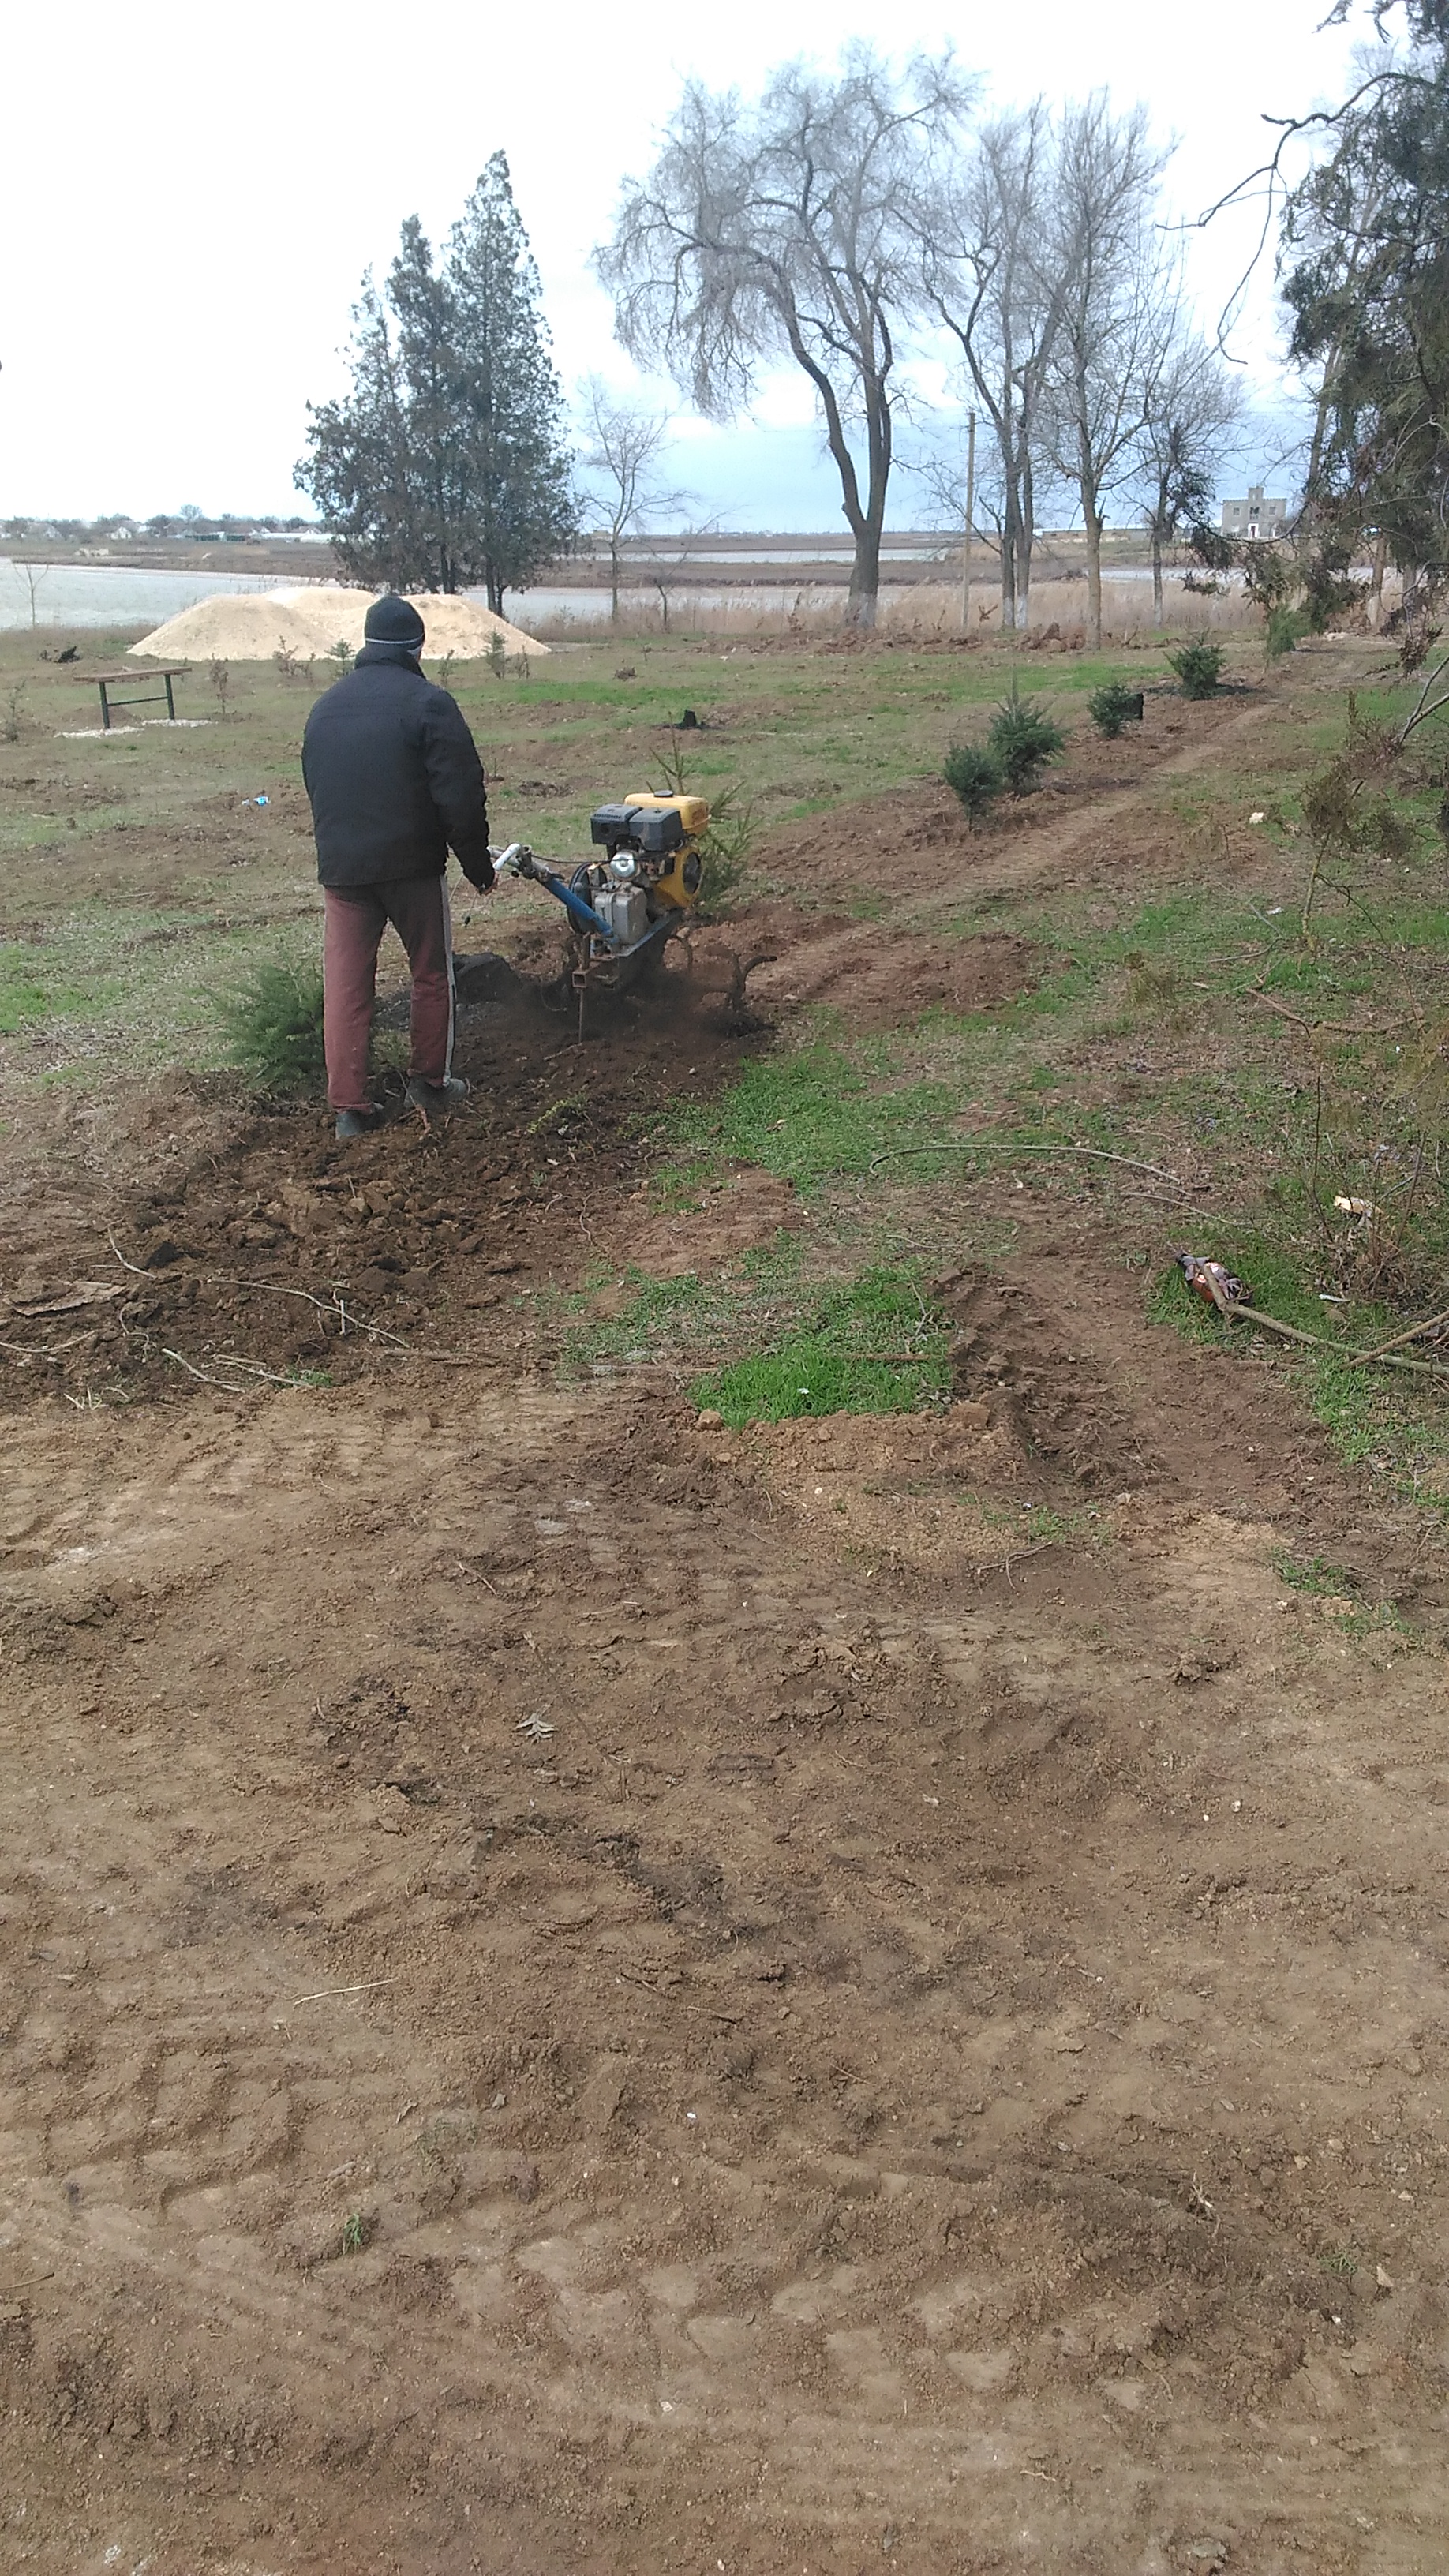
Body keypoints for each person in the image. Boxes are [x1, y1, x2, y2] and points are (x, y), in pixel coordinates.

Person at [301, 593, 495, 1140]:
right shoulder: (428, 703)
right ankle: (429, 1083)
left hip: (343, 873)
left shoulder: (326, 707)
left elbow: (317, 785)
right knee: (431, 973)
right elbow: (461, 794)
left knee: (345, 985)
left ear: (366, 644)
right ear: (417, 646)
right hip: (412, 868)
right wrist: (477, 865)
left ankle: (349, 1110)